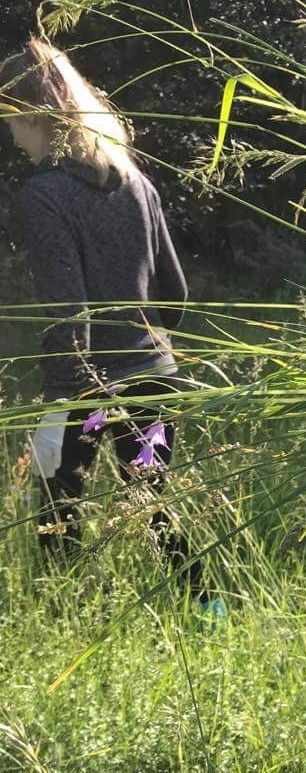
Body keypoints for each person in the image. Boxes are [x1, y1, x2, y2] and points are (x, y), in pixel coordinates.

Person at [1, 37, 220, 619]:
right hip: (154, 374)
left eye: (11, 121)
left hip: (89, 387)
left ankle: (57, 625)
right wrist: (148, 350)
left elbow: (69, 313)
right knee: (155, 503)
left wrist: (63, 401)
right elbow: (174, 291)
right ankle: (210, 612)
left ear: (34, 117)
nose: (12, 137)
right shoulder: (137, 182)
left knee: (56, 508)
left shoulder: (44, 194)